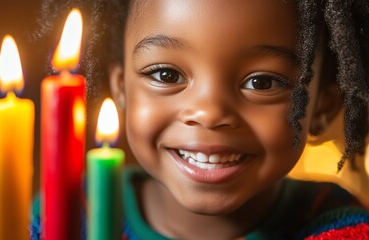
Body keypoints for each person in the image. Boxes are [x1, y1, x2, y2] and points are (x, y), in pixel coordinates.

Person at [31, 0, 369, 239]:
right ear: (122, 89)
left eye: (262, 82)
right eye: (166, 74)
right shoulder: (63, 217)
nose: (209, 113)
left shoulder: (340, 229)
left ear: (323, 107)